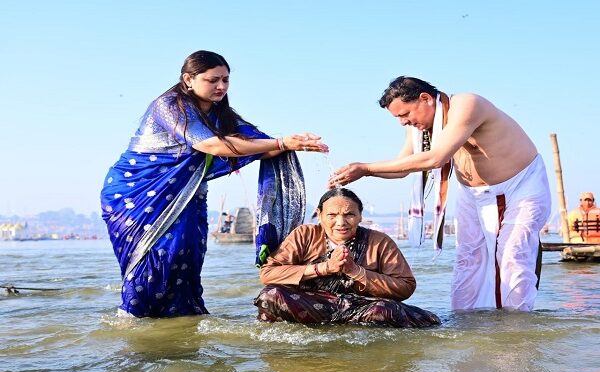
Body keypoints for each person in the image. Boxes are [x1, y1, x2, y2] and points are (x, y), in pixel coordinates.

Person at [101, 50, 328, 318]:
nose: (221, 86)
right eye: (213, 80)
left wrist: (295, 144)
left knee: (186, 258)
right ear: (188, 79)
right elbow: (209, 144)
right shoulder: (169, 105)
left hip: (188, 196)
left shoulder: (223, 115)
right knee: (155, 259)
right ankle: (134, 324)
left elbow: (256, 147)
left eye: (226, 80)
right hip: (137, 194)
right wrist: (281, 143)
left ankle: (183, 323)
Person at [330, 76, 551, 311]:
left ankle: (516, 330)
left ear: (425, 99)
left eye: (405, 115)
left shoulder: (467, 104)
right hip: (473, 193)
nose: (404, 123)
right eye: (398, 118)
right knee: (468, 260)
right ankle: (467, 324)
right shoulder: (419, 129)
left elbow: (436, 158)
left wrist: (366, 168)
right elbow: (402, 168)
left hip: (520, 187)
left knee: (512, 256)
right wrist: (364, 173)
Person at [254, 188, 440, 328]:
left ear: (360, 216)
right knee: (270, 296)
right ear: (319, 215)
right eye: (332, 215)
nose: (341, 222)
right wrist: (324, 268)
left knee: (386, 310)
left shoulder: (380, 241)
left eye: (349, 214)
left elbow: (406, 287)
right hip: (312, 306)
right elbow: (268, 274)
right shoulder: (304, 234)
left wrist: (355, 271)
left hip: (361, 309)